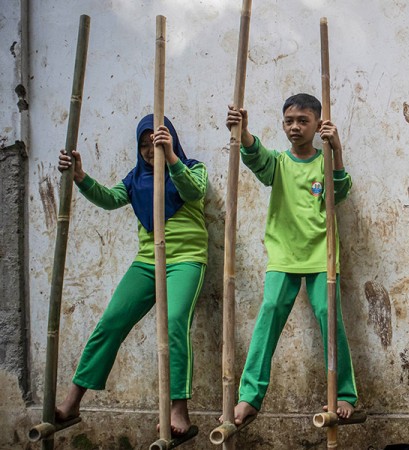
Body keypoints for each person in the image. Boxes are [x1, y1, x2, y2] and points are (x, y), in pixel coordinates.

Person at [55, 115, 208, 435]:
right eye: (144, 145)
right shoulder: (136, 179)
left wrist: (172, 159)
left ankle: (179, 411)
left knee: (175, 321)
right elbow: (110, 200)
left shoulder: (193, 167)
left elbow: (193, 193)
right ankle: (71, 404)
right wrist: (80, 177)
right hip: (147, 263)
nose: (150, 151)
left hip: (186, 261)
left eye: (156, 143)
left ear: (170, 140)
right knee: (111, 321)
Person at [224, 93, 357, 425]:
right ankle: (249, 397)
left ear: (317, 124)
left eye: (302, 121)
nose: (295, 127)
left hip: (321, 255)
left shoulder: (324, 160)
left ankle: (344, 394)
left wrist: (337, 151)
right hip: (283, 255)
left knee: (330, 317)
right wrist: (244, 134)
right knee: (268, 315)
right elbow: (258, 159)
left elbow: (340, 192)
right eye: (289, 121)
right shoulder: (279, 163)